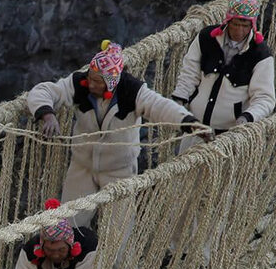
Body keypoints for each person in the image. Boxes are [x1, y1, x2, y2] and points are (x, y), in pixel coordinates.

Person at [27, 39, 207, 228]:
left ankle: (115, 259)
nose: (90, 84)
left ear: (111, 83)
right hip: (82, 167)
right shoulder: (79, 83)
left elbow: (160, 106)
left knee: (118, 233)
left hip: (119, 172)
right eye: (90, 77)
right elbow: (44, 90)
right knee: (70, 225)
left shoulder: (132, 91)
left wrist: (189, 123)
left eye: (97, 81)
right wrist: (47, 114)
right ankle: (79, 257)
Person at [172, 0, 275, 140]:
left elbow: (265, 98)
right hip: (195, 129)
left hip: (228, 138)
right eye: (236, 24)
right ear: (228, 20)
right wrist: (178, 102)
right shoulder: (206, 38)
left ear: (252, 26)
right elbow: (189, 74)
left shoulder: (260, 54)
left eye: (245, 25)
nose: (240, 31)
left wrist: (247, 118)